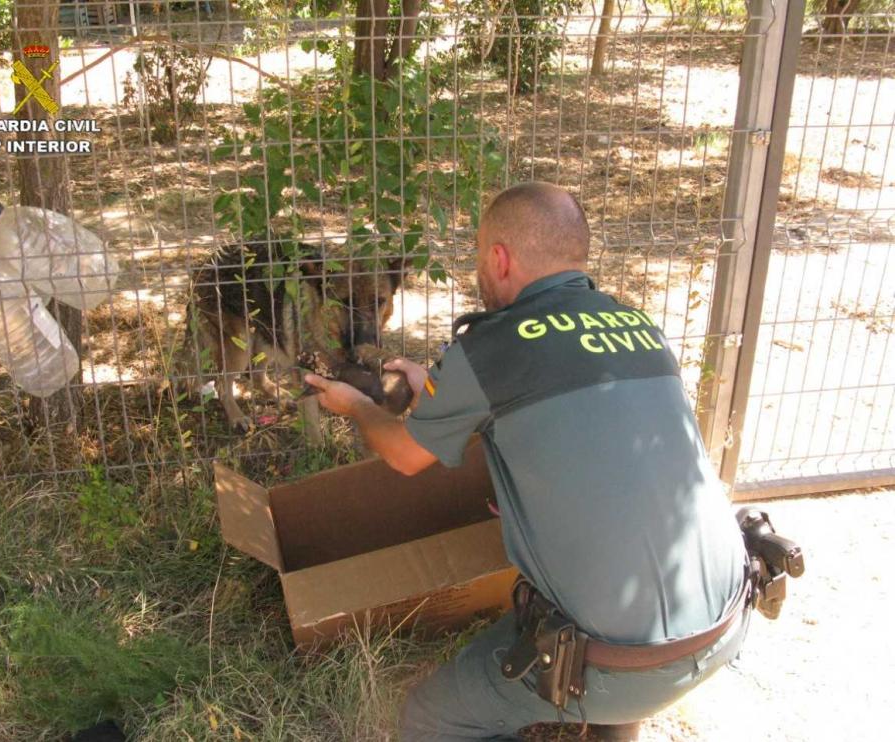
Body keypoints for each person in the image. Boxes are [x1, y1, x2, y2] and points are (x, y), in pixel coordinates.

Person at [304, 182, 749, 741]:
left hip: (621, 664)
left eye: (477, 260)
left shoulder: (491, 346)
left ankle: (605, 700)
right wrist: (436, 390)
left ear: (499, 256)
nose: (479, 277)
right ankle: (614, 720)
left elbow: (401, 454)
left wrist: (359, 407)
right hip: (726, 623)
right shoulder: (642, 329)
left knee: (427, 717)